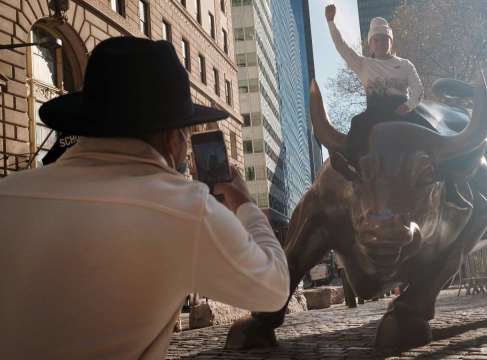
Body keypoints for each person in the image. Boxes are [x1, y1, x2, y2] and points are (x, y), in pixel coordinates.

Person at [0, 37, 289, 359]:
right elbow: (273, 290)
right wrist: (245, 206)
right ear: (172, 137)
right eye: (187, 133)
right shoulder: (187, 208)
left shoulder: (7, 193)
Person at [325, 4, 430, 164]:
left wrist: (409, 106)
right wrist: (331, 22)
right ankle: (352, 167)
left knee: (433, 134)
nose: (380, 42)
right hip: (374, 111)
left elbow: (418, 90)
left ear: (390, 41)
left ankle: (449, 173)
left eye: (384, 39)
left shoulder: (405, 64)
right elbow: (342, 46)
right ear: (370, 43)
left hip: (401, 110)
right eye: (376, 39)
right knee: (357, 122)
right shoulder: (363, 64)